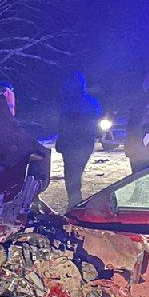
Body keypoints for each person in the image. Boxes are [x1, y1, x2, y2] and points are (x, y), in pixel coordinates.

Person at [55, 71, 102, 206]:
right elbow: (96, 121)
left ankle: (74, 202)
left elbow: (62, 123)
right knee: (75, 173)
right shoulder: (91, 102)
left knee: (71, 174)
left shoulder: (67, 102)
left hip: (71, 143)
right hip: (84, 143)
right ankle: (75, 202)